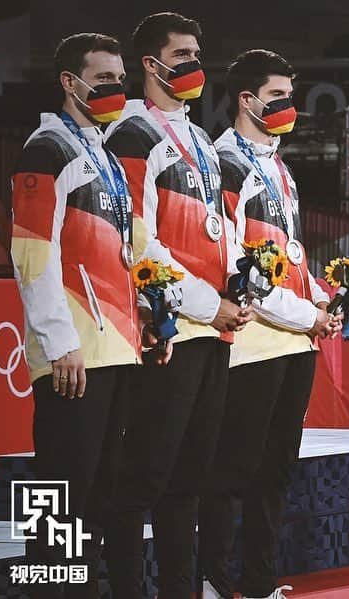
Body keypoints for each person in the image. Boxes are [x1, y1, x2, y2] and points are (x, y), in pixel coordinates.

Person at [9, 32, 168, 599]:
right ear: (68, 83)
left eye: (119, 80)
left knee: (98, 495)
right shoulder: (45, 150)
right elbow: (32, 252)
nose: (114, 89)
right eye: (102, 80)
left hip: (116, 345)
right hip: (74, 351)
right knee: (57, 492)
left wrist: (147, 318)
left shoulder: (97, 150)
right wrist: (59, 343)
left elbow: (121, 254)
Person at [103, 12, 250, 598]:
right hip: (166, 332)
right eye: (182, 55)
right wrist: (203, 302)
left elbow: (219, 232)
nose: (194, 65)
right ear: (150, 63)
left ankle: (180, 590)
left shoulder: (202, 143)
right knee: (146, 476)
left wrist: (238, 287)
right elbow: (140, 241)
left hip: (213, 331)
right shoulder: (131, 135)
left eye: (197, 53)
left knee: (190, 478)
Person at [199, 49, 342, 599]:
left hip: (294, 341)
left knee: (275, 472)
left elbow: (293, 253)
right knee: (232, 470)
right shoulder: (223, 164)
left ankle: (257, 585)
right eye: (277, 96)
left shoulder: (278, 165)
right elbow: (236, 265)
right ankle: (215, 581)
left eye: (290, 95)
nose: (289, 106)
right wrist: (309, 314)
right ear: (246, 100)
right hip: (249, 340)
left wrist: (323, 301)